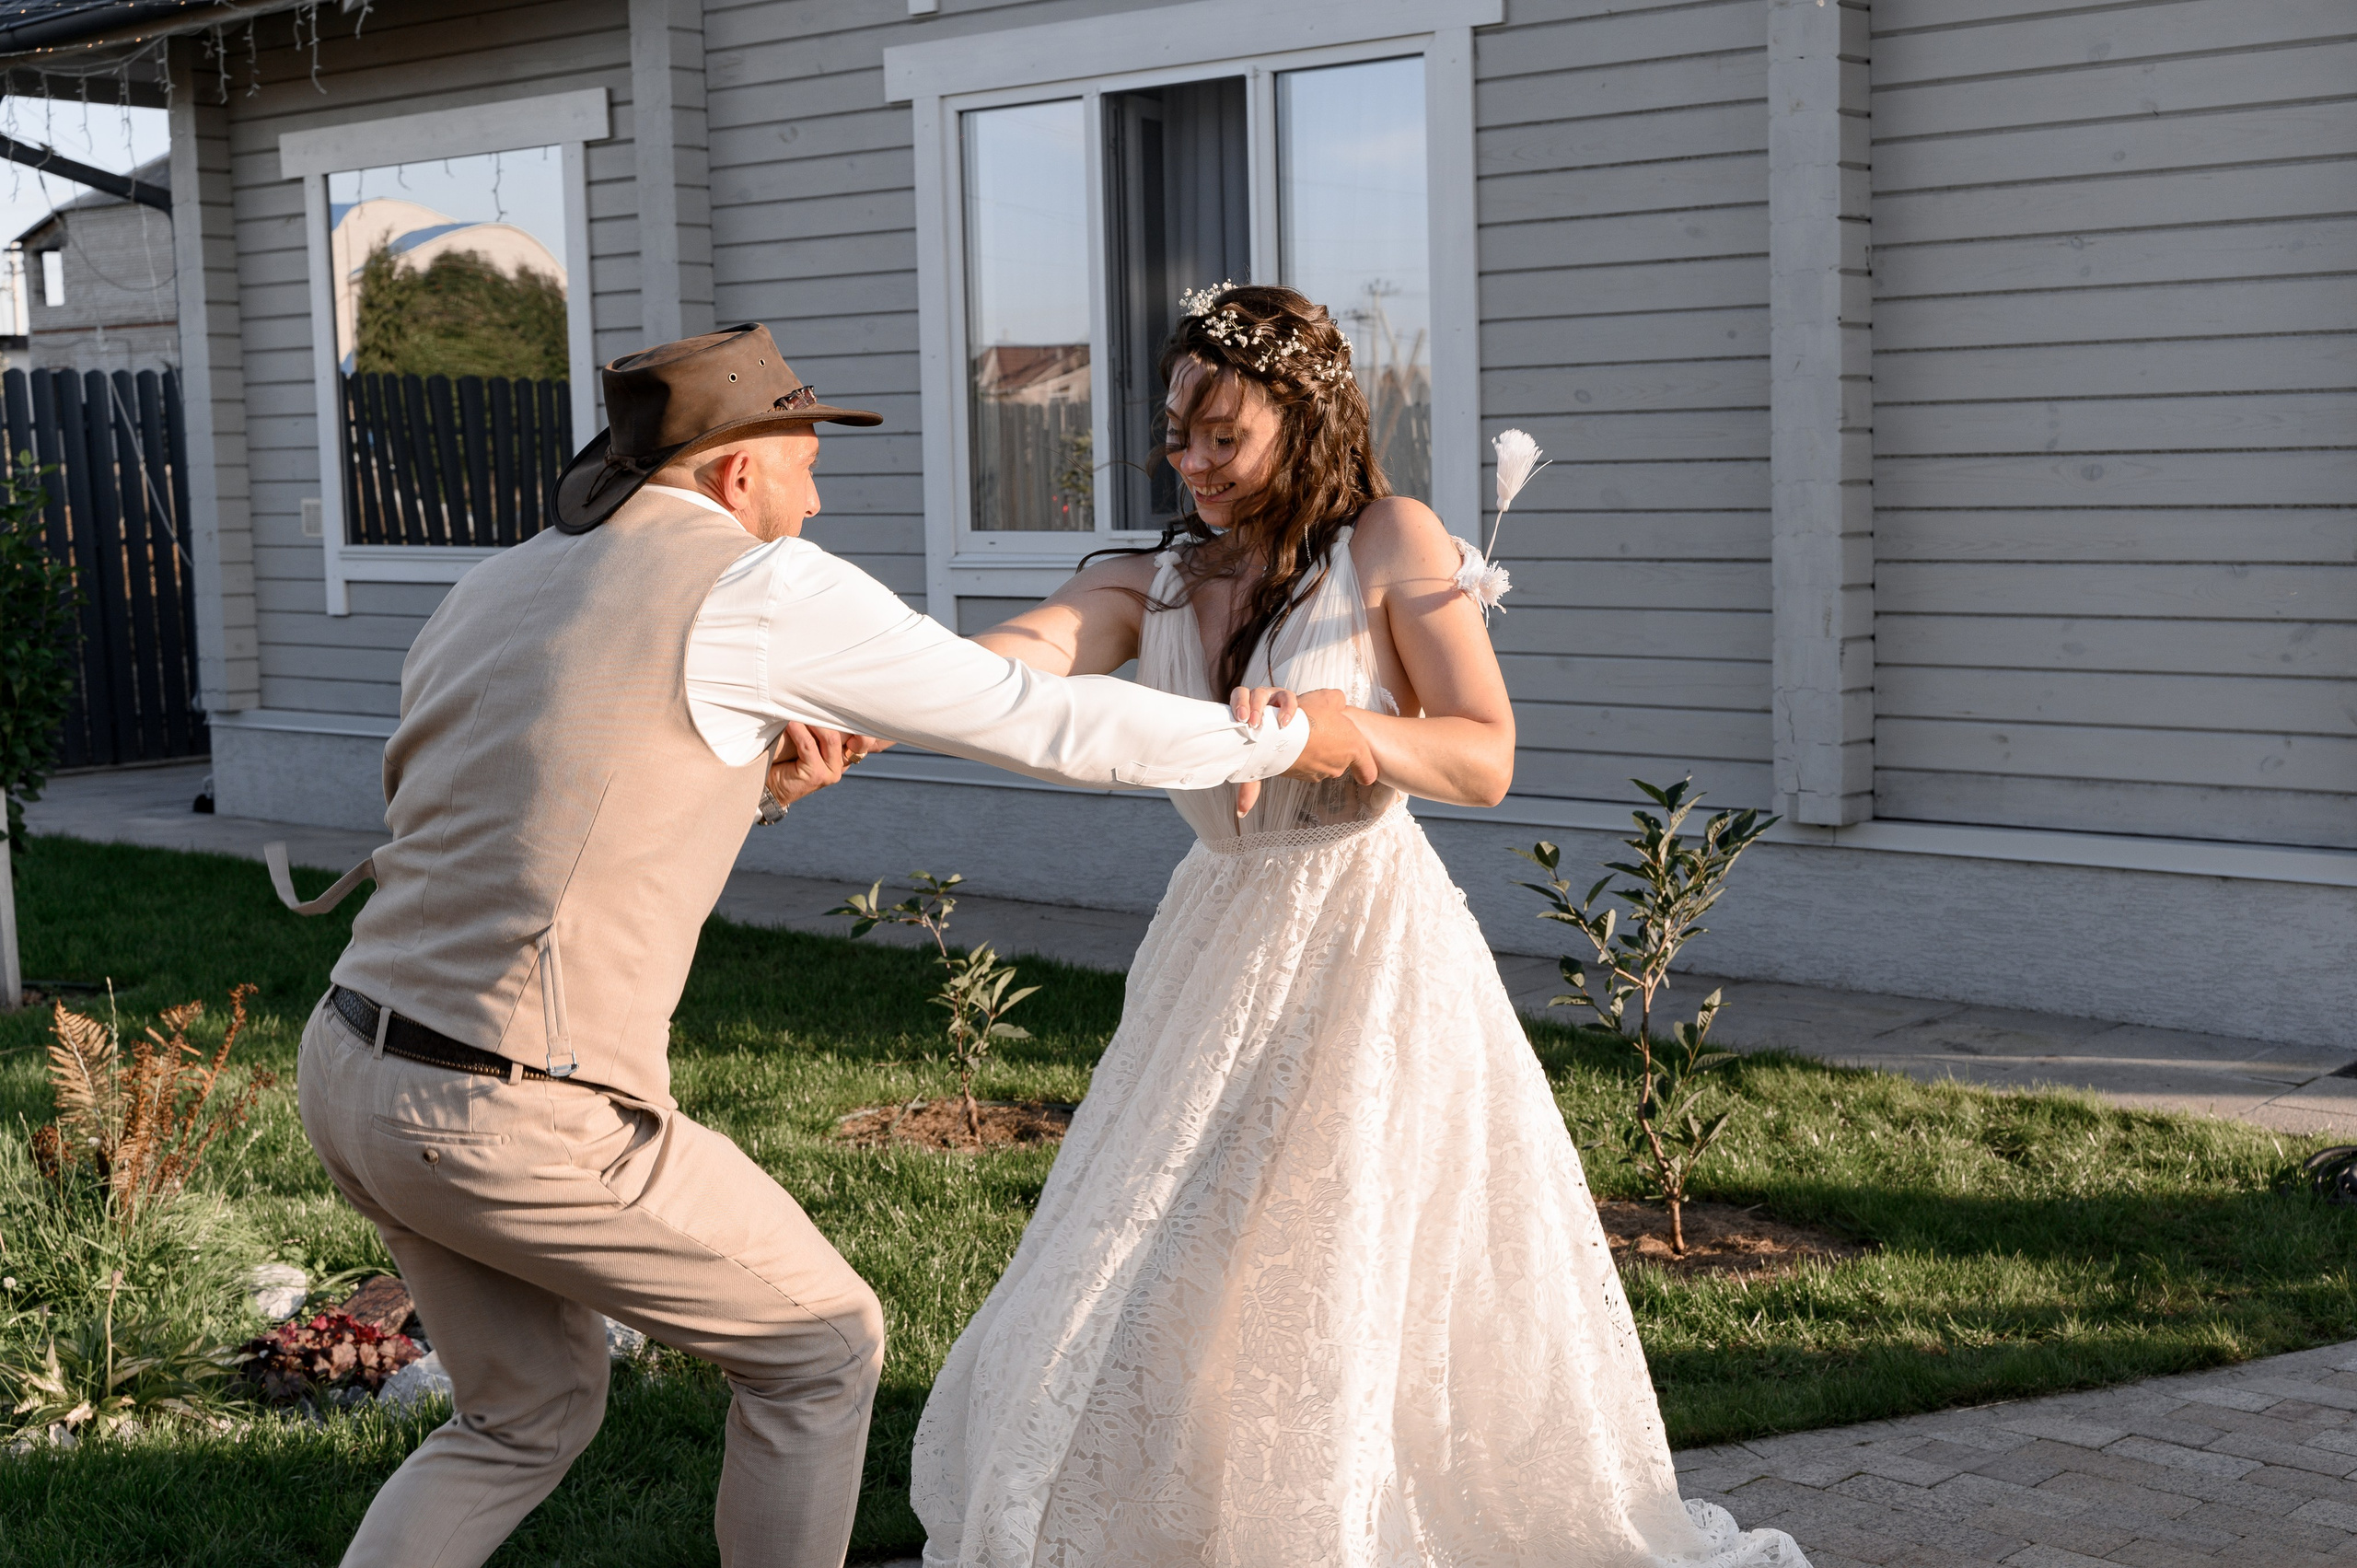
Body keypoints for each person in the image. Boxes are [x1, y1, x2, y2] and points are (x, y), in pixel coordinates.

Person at [270, 322, 1375, 1568]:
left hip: (354, 1062)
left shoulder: (501, 583)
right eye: (804, 463)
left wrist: (761, 784)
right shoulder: (760, 587)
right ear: (737, 473)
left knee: (522, 1415)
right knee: (820, 1344)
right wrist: (1280, 742)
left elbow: (529, 797)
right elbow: (1036, 719)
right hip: (513, 1106)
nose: (816, 493)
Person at [911, 287, 1807, 1568]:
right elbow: (998, 671)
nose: (1194, 463)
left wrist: (1343, 731)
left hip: (1367, 942)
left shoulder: (1392, 540)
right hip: (1215, 938)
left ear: (1307, 414)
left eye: (1224, 434)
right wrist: (854, 705)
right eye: (1176, 434)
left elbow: (1485, 755)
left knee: (1353, 1247)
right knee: (1162, 1244)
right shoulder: (1143, 580)